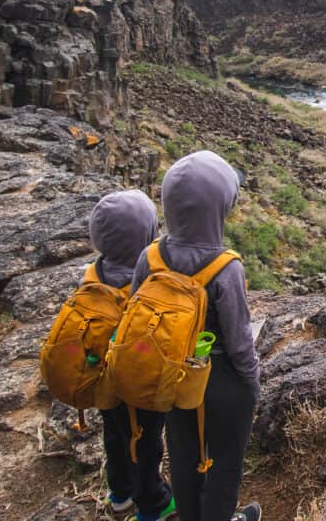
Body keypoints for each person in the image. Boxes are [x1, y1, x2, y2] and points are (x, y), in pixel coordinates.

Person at [132, 151, 262, 521]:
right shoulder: (226, 267)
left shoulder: (150, 256)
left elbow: (136, 315)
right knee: (224, 462)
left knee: (184, 454)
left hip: (171, 377)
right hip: (221, 381)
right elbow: (240, 345)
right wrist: (253, 384)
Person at [87, 190, 177, 521]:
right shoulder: (146, 283)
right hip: (136, 383)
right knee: (145, 444)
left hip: (102, 380)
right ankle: (153, 505)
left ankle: (120, 495)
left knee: (114, 436)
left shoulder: (93, 275)